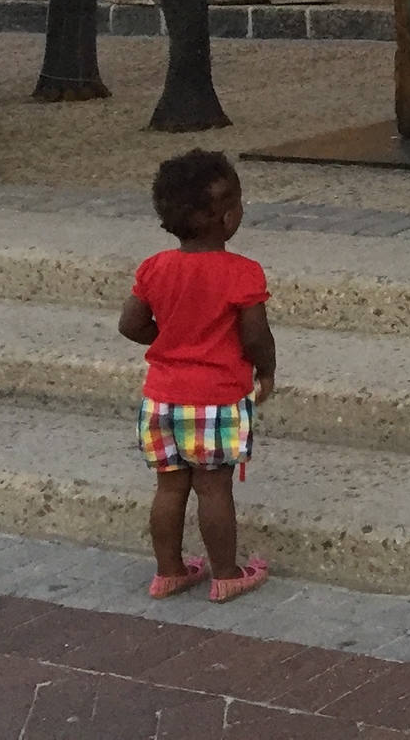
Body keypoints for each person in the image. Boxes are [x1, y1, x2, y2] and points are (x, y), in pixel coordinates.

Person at [119, 150, 275, 604]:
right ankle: (226, 574)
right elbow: (255, 336)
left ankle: (169, 572)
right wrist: (265, 370)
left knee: (169, 487)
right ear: (224, 216)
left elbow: (130, 324)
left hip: (161, 398)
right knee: (213, 488)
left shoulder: (155, 267)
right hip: (216, 399)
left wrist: (169, 337)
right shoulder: (242, 273)